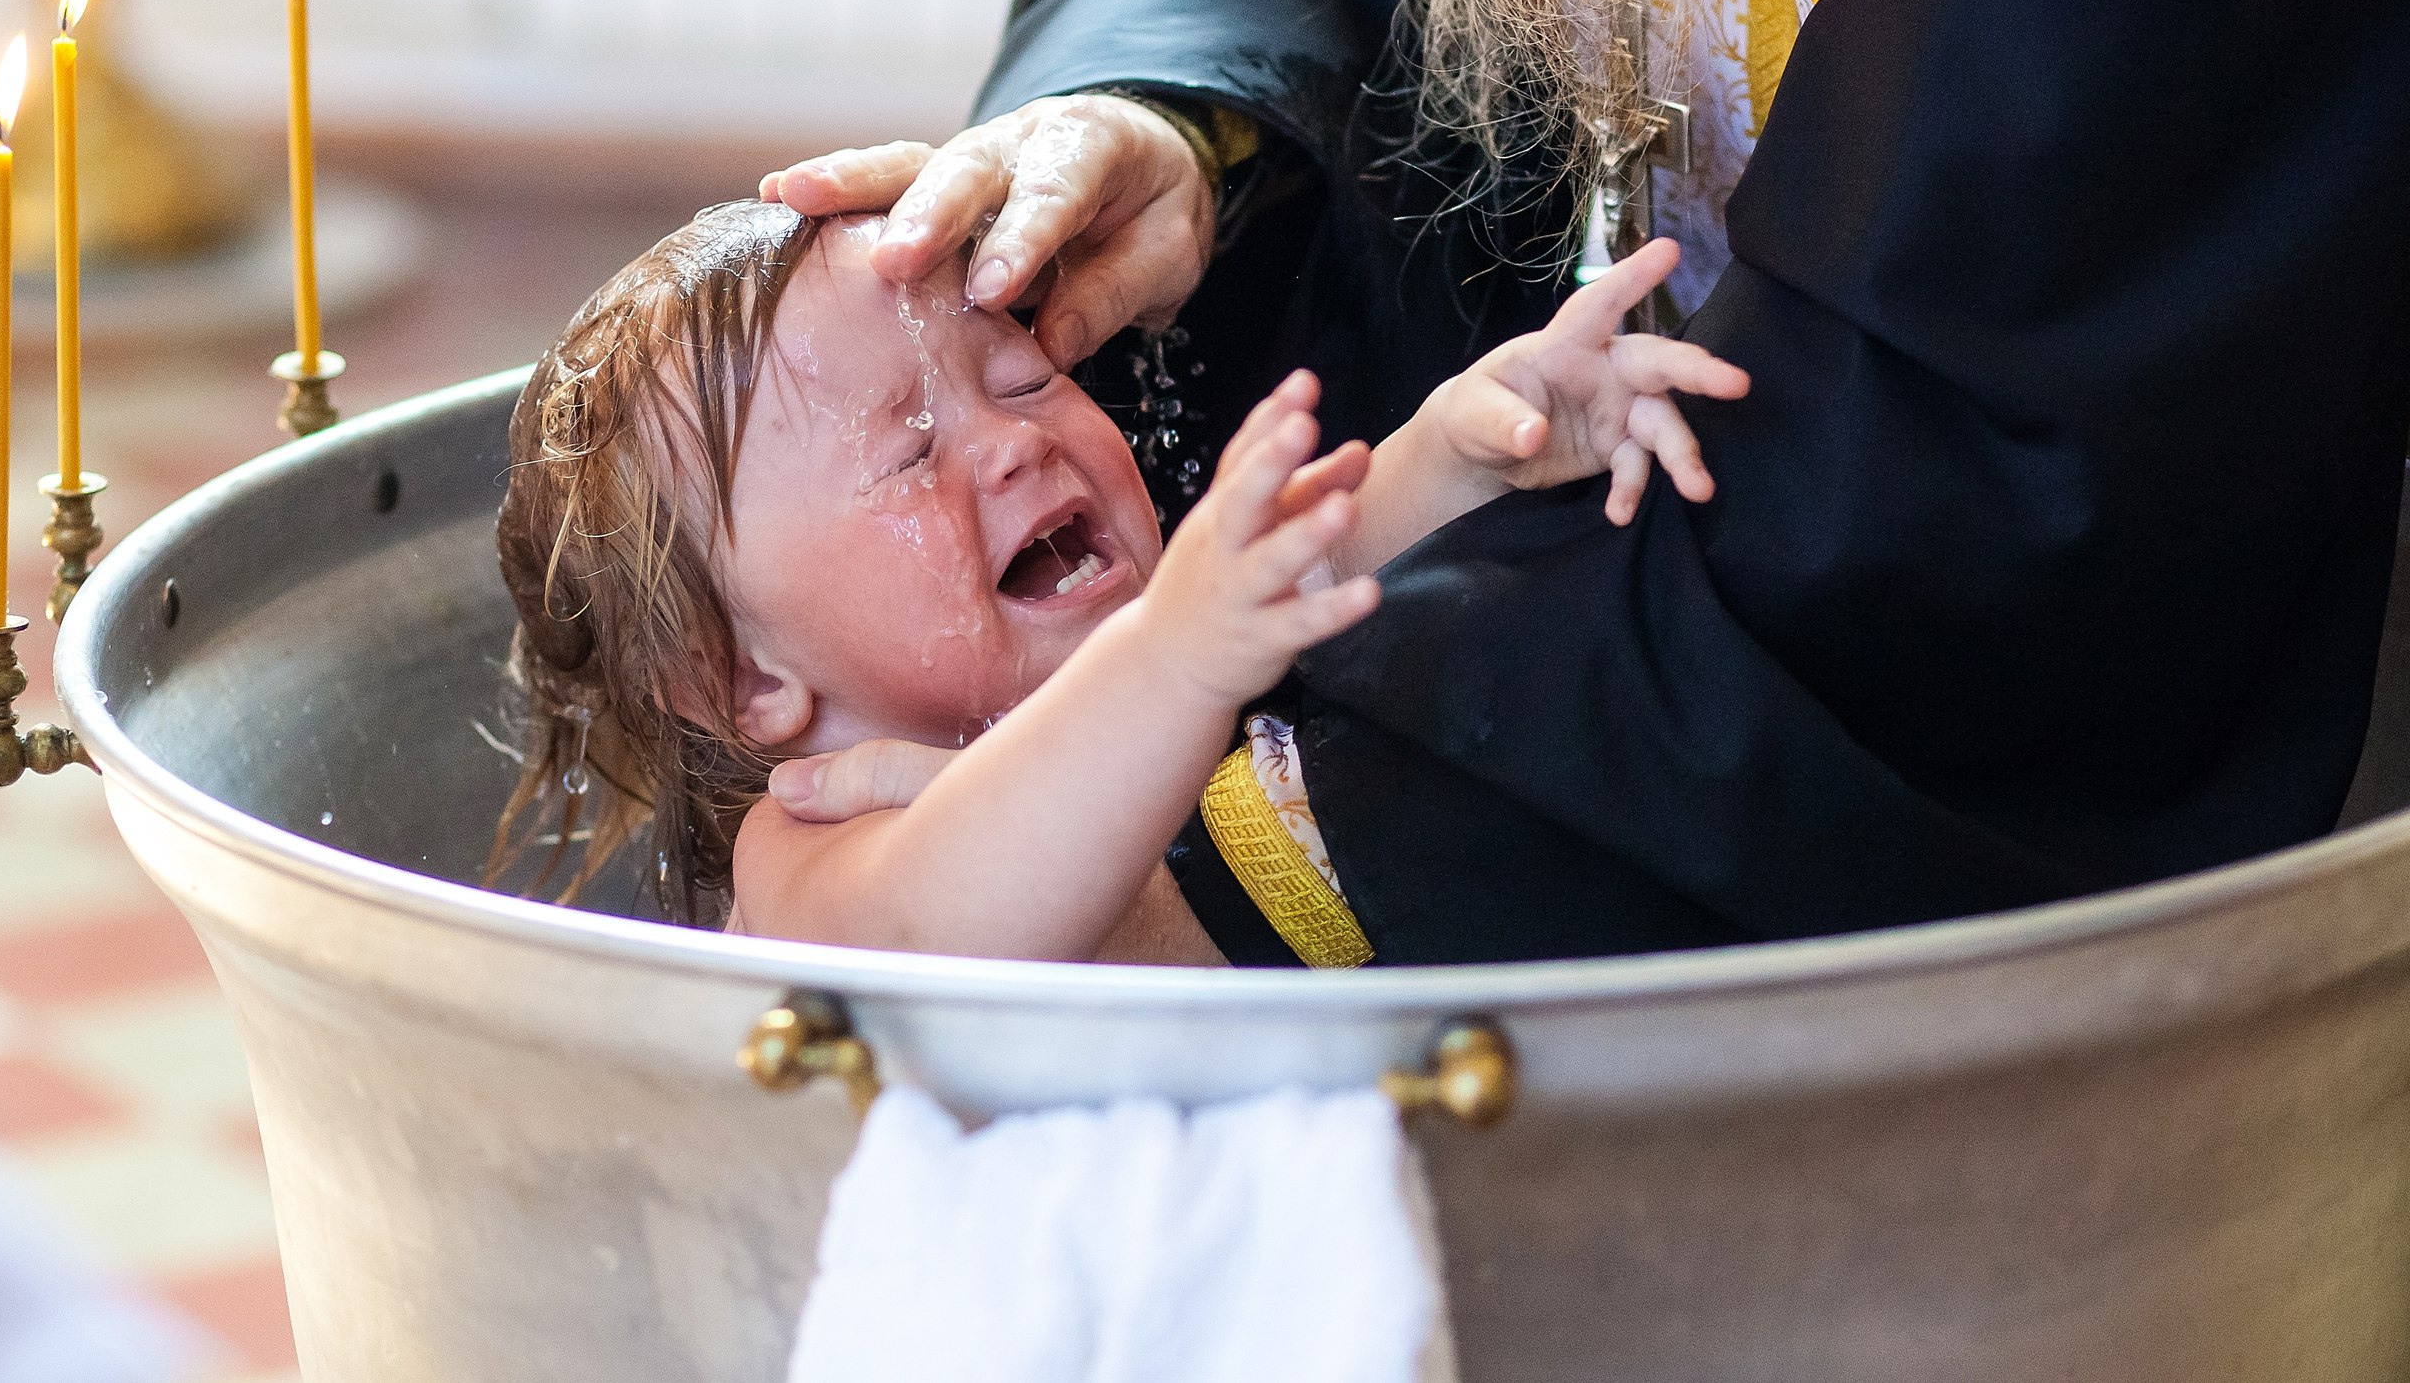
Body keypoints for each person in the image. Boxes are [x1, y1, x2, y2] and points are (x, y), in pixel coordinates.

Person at [756, 0, 2410, 964]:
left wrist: (1210, 853)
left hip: (1982, 580)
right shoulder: (804, 814)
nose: (1003, 438)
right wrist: (1178, 116)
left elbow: (2022, 315)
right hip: (1587, 508)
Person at [490, 202, 1744, 962]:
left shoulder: (1155, 647)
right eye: (909, 453)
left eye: (1025, 376)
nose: (1009, 439)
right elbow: (949, 933)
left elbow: (1321, 563)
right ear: (741, 678)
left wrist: (1471, 445)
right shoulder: (812, 847)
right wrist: (1178, 660)